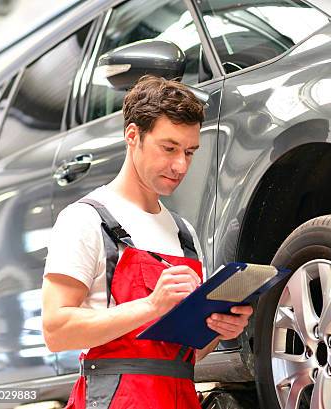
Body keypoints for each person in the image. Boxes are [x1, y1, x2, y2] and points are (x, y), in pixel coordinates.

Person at [41, 75, 253, 409]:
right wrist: (151, 306)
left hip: (180, 396)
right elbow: (56, 330)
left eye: (189, 152)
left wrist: (217, 330)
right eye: (168, 148)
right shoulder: (85, 219)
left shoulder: (183, 233)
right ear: (133, 136)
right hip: (116, 399)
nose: (180, 165)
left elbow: (181, 354)